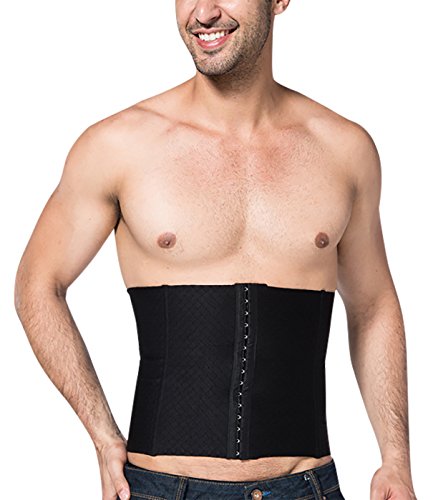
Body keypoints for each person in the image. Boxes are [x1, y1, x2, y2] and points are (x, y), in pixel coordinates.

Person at [14, 0, 417, 499]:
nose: (203, 12)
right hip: (162, 488)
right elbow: (38, 283)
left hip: (306, 486)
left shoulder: (343, 149)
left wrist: (396, 459)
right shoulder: (118, 146)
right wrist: (101, 433)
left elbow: (373, 306)